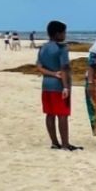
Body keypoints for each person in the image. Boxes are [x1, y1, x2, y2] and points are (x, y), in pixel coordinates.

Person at [36, 20, 78, 151]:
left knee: (50, 114)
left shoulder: (43, 47)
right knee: (62, 114)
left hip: (46, 84)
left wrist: (52, 73)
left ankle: (55, 142)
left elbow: (39, 67)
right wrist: (65, 86)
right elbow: (64, 68)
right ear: (57, 33)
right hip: (58, 86)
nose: (65, 34)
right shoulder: (62, 48)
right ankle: (65, 144)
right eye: (64, 32)